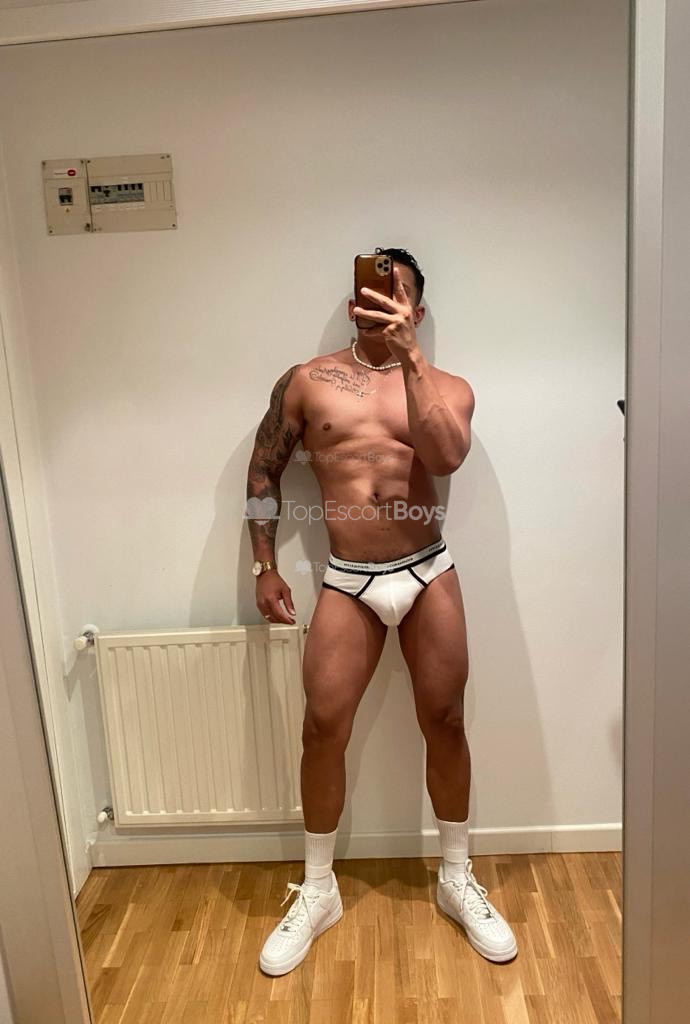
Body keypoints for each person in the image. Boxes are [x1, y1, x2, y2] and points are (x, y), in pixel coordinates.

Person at [245, 246, 518, 975]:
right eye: (369, 292)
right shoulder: (307, 381)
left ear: (417, 310)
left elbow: (448, 456)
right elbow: (265, 469)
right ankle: (319, 889)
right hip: (347, 579)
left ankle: (456, 876)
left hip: (427, 572)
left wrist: (410, 358)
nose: (378, 303)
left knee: (446, 721)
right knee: (321, 727)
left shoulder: (448, 387)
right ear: (351, 302)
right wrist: (264, 565)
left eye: (394, 295)